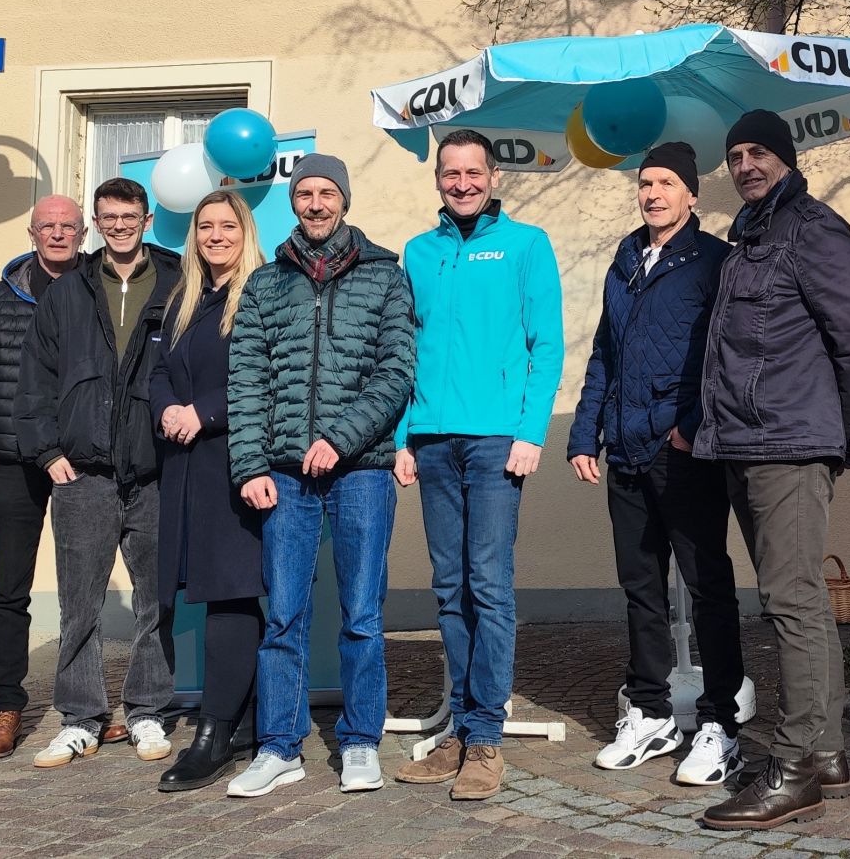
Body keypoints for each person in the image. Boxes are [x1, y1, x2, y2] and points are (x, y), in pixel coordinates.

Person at [695, 110, 850, 831]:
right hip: (747, 443)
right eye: (736, 155)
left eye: (759, 152)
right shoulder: (749, 235)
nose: (746, 165)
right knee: (799, 599)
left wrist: (848, 436)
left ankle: (793, 768)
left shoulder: (813, 230)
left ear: (786, 158)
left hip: (789, 444)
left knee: (791, 601)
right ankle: (826, 752)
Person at [224, 154, 416, 799]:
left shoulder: (385, 275)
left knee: (361, 612)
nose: (315, 203)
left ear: (344, 200)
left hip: (361, 470)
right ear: (293, 202)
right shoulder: (266, 283)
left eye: (326, 192)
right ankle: (279, 747)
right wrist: (250, 465)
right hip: (284, 475)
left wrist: (340, 438)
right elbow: (246, 380)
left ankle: (360, 742)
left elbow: (397, 372)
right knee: (284, 614)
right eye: (304, 192)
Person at [392, 129, 564, 802]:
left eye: (472, 172)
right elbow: (406, 349)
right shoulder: (419, 251)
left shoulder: (527, 244)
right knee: (448, 587)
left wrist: (530, 432)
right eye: (450, 173)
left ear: (494, 176)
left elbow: (547, 344)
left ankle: (486, 736)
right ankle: (460, 729)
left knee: (488, 585)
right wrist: (403, 436)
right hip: (433, 439)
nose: (461, 183)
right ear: (438, 179)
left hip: (496, 441)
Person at [566, 142, 746, 786]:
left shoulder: (714, 262)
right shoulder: (624, 261)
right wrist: (584, 434)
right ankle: (649, 713)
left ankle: (721, 723)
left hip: (683, 454)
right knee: (640, 589)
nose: (653, 194)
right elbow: (604, 355)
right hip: (626, 452)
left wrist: (689, 429)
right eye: (646, 183)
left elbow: (725, 356)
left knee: (707, 587)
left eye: (667, 183)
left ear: (691, 194)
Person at [15, 177, 180, 769]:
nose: (119, 225)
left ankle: (147, 711)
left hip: (155, 469)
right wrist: (46, 452)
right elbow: (34, 379)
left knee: (156, 601)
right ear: (96, 222)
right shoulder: (69, 291)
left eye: (129, 216)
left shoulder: (178, 281)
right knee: (79, 604)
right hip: (82, 474)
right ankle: (81, 719)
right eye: (108, 217)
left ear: (147, 219)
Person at [0, 194, 103, 760]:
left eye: (68, 226)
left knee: (83, 589)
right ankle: (7, 707)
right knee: (10, 588)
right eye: (48, 226)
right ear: (31, 232)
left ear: (83, 233)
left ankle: (85, 709)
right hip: (14, 460)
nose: (58, 234)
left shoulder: (99, 288)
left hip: (80, 459)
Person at [149, 190, 266, 793]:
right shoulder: (184, 299)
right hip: (186, 465)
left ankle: (215, 734)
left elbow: (269, 377)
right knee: (210, 592)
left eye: (227, 226)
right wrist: (168, 407)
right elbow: (158, 371)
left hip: (238, 463)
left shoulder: (263, 293)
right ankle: (241, 715)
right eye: (205, 226)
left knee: (231, 593)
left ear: (246, 233)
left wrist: (205, 413)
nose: (216, 236)